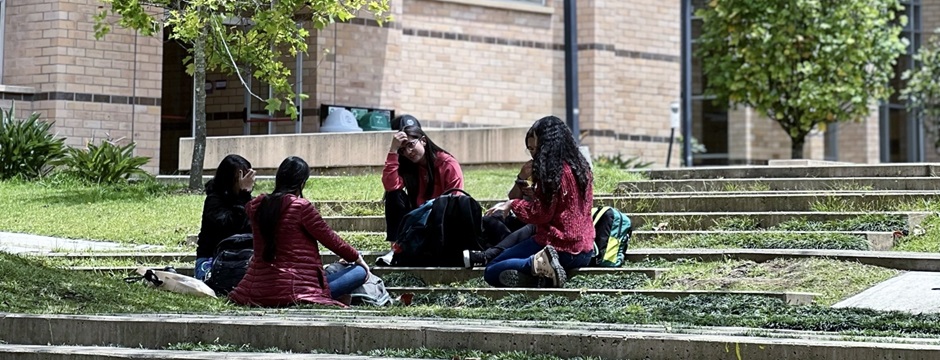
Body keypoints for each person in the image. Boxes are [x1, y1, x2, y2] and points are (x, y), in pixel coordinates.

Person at [229, 156, 371, 307]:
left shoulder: (257, 206)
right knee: (359, 272)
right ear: (302, 183)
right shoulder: (301, 207)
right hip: (296, 292)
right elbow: (331, 240)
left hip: (257, 291)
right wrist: (357, 258)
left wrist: (244, 192)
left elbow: (245, 207)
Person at [482, 116, 595, 288]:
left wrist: (511, 205)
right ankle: (541, 274)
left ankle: (536, 264)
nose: (534, 152)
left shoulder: (553, 172)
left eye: (537, 145)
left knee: (492, 269)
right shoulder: (581, 168)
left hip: (559, 247)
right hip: (584, 252)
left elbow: (541, 214)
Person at [378, 118, 464, 265]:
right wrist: (393, 150)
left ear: (423, 140)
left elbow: (455, 198)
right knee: (393, 195)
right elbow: (391, 186)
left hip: (440, 219)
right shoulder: (411, 166)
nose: (408, 152)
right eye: (403, 150)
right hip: (415, 217)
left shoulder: (447, 163)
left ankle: (400, 249)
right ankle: (395, 247)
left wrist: (427, 209)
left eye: (411, 145)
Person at [463, 134, 539, 268]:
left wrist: (536, 195)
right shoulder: (530, 169)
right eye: (530, 149)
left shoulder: (554, 172)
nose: (534, 153)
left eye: (536, 148)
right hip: (521, 219)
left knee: (529, 228)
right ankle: (505, 247)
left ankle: (493, 253)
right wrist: (521, 177)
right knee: (490, 219)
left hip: (535, 224)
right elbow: (513, 197)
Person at [195, 154, 255, 281]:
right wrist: (243, 196)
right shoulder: (214, 200)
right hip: (212, 259)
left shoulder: (249, 201)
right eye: (241, 176)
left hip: (243, 259)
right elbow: (231, 227)